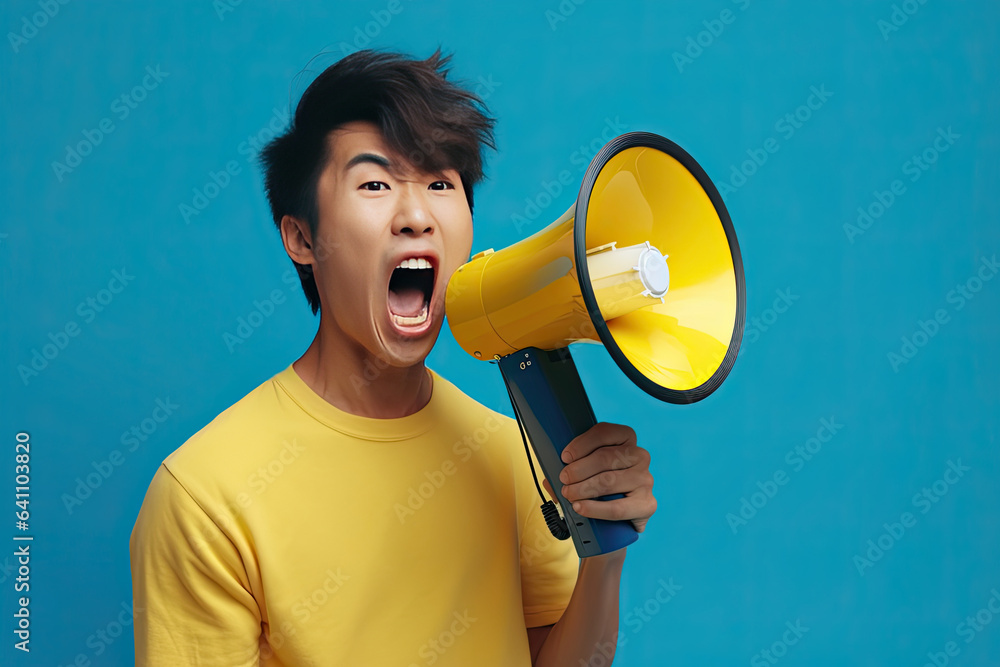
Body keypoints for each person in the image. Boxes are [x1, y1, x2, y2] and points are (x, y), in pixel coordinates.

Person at [129, 48, 656, 666]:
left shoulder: (513, 456)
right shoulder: (203, 497)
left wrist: (605, 553)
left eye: (440, 184)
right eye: (375, 184)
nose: (415, 216)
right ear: (302, 237)